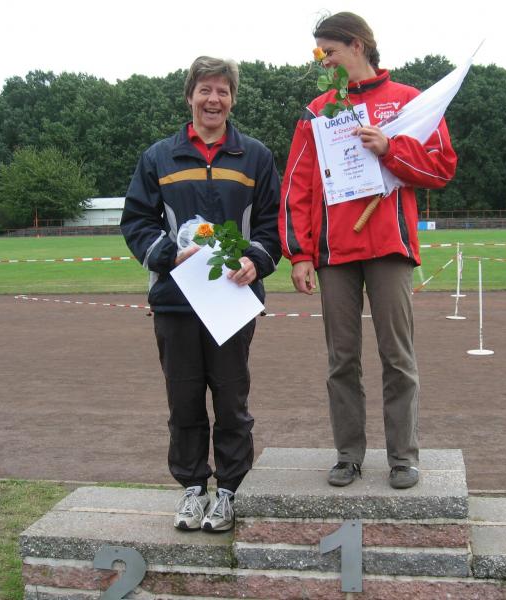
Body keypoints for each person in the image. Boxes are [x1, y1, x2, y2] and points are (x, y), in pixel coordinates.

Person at [279, 12, 457, 489]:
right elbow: (297, 184)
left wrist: (390, 148)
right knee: (342, 360)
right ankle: (348, 455)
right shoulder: (317, 111)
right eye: (319, 54)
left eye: (329, 52)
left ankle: (403, 457)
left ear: (357, 45)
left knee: (397, 356)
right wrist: (299, 253)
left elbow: (441, 168)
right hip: (334, 252)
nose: (323, 61)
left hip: (388, 247)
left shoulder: (409, 101)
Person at [121, 56, 281, 531]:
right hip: (176, 301)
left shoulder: (255, 156)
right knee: (184, 400)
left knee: (231, 402)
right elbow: (136, 221)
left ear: (233, 99)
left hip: (233, 302)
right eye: (205, 90)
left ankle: (229, 491)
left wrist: (256, 260)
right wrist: (169, 255)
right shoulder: (158, 157)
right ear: (189, 96)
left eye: (223, 91)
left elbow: (272, 224)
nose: (214, 99)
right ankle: (193, 489)